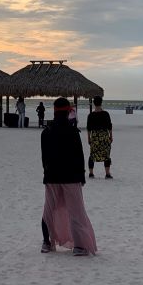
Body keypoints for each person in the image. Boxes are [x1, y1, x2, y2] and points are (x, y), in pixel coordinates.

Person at [40, 97, 98, 256]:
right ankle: (79, 246)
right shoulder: (73, 132)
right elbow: (79, 156)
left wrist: (46, 175)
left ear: (54, 111)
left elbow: (44, 158)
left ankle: (47, 242)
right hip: (71, 177)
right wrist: (83, 176)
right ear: (68, 113)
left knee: (49, 210)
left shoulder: (46, 132)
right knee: (76, 212)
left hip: (52, 176)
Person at [86, 96, 114, 179]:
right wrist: (111, 136)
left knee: (92, 154)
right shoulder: (105, 114)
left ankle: (91, 173)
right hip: (104, 136)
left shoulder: (91, 115)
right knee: (106, 154)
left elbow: (89, 128)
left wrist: (89, 138)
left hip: (94, 136)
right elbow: (109, 126)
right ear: (101, 103)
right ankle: (107, 173)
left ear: (94, 103)